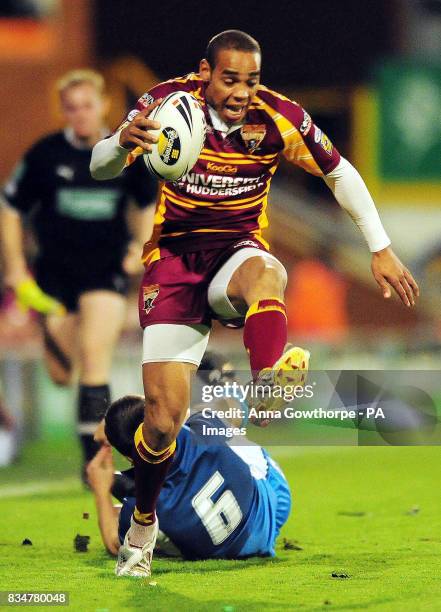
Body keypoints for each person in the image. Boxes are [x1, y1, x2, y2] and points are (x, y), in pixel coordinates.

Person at [90, 30, 419, 576]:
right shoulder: (167, 101)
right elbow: (101, 167)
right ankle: (143, 524)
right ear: (204, 72)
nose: (243, 91)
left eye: (252, 80)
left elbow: (339, 172)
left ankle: (267, 385)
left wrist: (379, 248)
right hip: (173, 267)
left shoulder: (278, 118)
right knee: (164, 422)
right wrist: (122, 141)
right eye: (230, 79)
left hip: (235, 257)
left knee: (268, 272)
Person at [0, 69, 157, 476]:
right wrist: (16, 267)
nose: (81, 115)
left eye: (87, 105)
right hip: (53, 276)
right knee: (60, 374)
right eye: (72, 108)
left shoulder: (127, 151)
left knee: (94, 358)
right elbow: (10, 207)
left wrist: (140, 249)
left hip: (104, 271)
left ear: (103, 105)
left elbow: (145, 205)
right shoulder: (45, 155)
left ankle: (96, 464)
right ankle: (53, 339)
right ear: (64, 112)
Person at [86, 352, 291, 564]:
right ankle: (241, 390)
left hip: (229, 549)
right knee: (221, 411)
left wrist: (101, 491)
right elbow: (228, 409)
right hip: (273, 503)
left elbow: (112, 542)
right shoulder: (200, 426)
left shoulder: (142, 504)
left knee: (129, 514)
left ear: (129, 458)